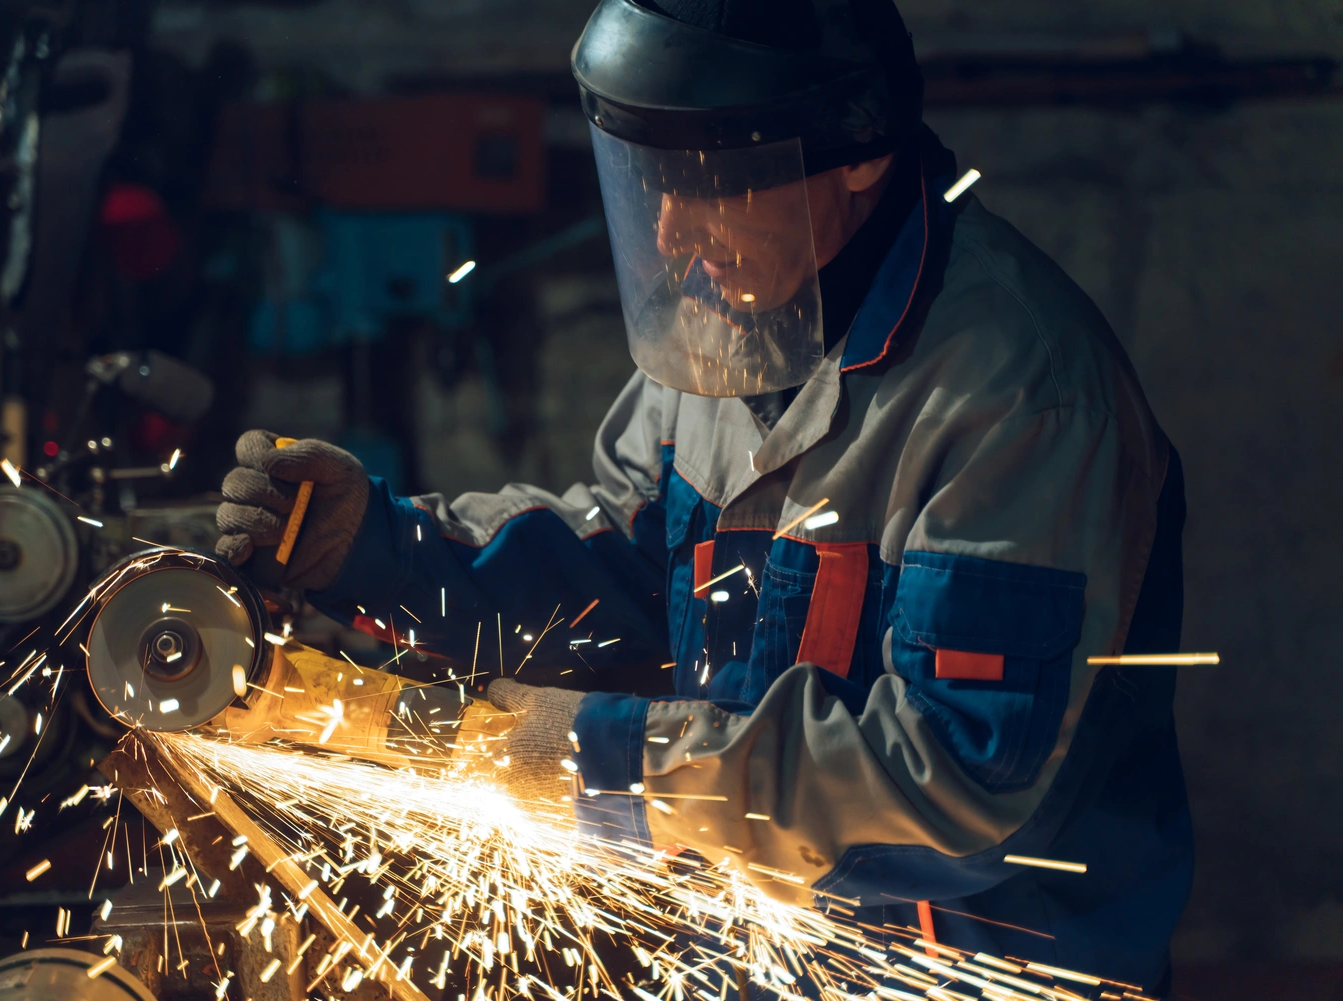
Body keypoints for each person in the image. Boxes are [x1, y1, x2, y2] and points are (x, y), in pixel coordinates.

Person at [216, 0, 1192, 992]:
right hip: (762, 960)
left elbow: (966, 785)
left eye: (708, 183)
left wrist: (617, 762)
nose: (673, 233)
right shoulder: (735, 315)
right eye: (652, 184)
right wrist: (382, 550)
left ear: (858, 150)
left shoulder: (1016, 394)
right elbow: (632, 568)